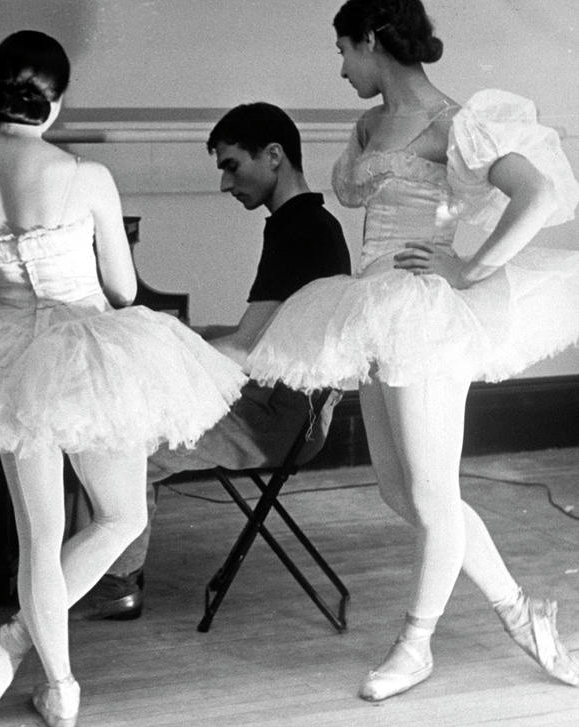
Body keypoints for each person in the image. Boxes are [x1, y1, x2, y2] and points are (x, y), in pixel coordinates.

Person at [0, 30, 245, 727]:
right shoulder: (85, 176)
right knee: (121, 515)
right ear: (54, 102)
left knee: (38, 534)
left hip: (6, 350)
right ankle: (20, 649)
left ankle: (55, 679)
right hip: (83, 348)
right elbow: (121, 285)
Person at [247, 0, 579, 702]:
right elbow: (355, 194)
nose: (340, 68)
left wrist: (471, 267)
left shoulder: (456, 123)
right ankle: (523, 613)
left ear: (371, 40)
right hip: (372, 311)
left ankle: (416, 643)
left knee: (431, 494)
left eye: (343, 50)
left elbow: (538, 192)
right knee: (405, 491)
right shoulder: (370, 121)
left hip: (424, 317)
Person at [69, 102, 352, 621]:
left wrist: (156, 351)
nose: (225, 184)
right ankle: (90, 568)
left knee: (129, 443)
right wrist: (181, 337)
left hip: (284, 420)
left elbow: (246, 351)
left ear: (273, 156)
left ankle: (115, 584)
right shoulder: (304, 223)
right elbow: (268, 334)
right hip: (278, 401)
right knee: (130, 408)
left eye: (231, 165)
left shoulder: (300, 230)